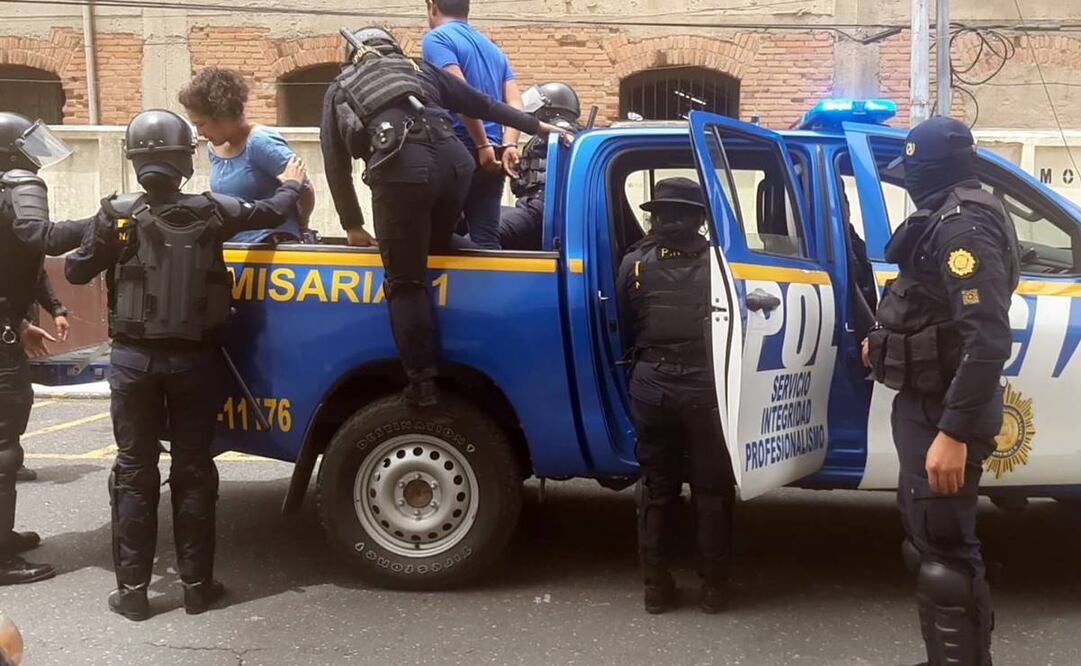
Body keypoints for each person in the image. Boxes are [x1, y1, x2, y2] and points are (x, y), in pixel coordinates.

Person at [65, 108, 308, 620]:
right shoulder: (214, 210)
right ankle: (197, 588)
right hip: (196, 363)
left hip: (133, 362)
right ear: (185, 160)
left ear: (134, 159)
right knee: (193, 469)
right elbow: (269, 212)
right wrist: (290, 183)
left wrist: (108, 239)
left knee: (134, 471)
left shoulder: (117, 214)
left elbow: (76, 270)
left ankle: (133, 593)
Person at [321, 26, 565, 407]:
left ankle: (422, 384)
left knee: (405, 281)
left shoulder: (341, 87)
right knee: (435, 247)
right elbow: (482, 104)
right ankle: (483, 319)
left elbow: (335, 164)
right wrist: (537, 126)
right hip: (456, 166)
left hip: (404, 173)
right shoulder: (418, 68)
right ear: (392, 47)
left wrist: (352, 224)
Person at [863, 116, 1019, 666]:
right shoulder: (947, 215)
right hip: (928, 401)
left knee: (946, 555)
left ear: (932, 170)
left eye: (915, 170)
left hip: (944, 410)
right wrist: (883, 339)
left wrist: (952, 432)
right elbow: (930, 304)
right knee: (930, 544)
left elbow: (987, 339)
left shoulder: (962, 228)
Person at [615, 177, 734, 615]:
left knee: (657, 487)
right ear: (700, 219)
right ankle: (714, 589)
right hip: (706, 386)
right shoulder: (720, 263)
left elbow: (624, 323)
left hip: (651, 384)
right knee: (712, 489)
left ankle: (655, 589)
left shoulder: (634, 263)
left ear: (657, 216)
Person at [0, 111, 89, 585]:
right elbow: (42, 239)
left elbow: (20, 264)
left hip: (5, 327)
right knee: (3, 449)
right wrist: (103, 221)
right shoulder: (16, 186)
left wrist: (23, 320)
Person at [423, 0, 523, 249]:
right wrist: (509, 144)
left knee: (431, 235)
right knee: (486, 237)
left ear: (432, 6)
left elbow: (460, 94)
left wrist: (481, 145)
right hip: (494, 153)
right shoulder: (492, 48)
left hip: (460, 149)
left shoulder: (437, 40)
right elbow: (515, 103)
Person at [179, 67, 316, 243]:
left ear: (222, 114)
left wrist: (302, 224)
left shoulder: (261, 142)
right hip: (235, 246)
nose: (199, 132)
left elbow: (303, 187)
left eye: (201, 124)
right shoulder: (214, 148)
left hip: (270, 245)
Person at [497, 82, 581, 251]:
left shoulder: (561, 132)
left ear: (549, 111)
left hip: (539, 210)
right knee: (473, 219)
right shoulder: (546, 136)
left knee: (485, 233)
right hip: (531, 207)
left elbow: (566, 138)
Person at [15, 269, 72, 484]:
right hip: (10, 330)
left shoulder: (26, 251)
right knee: (13, 396)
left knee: (18, 398)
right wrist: (20, 325)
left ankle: (10, 459)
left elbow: (37, 275)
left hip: (12, 337)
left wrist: (57, 310)